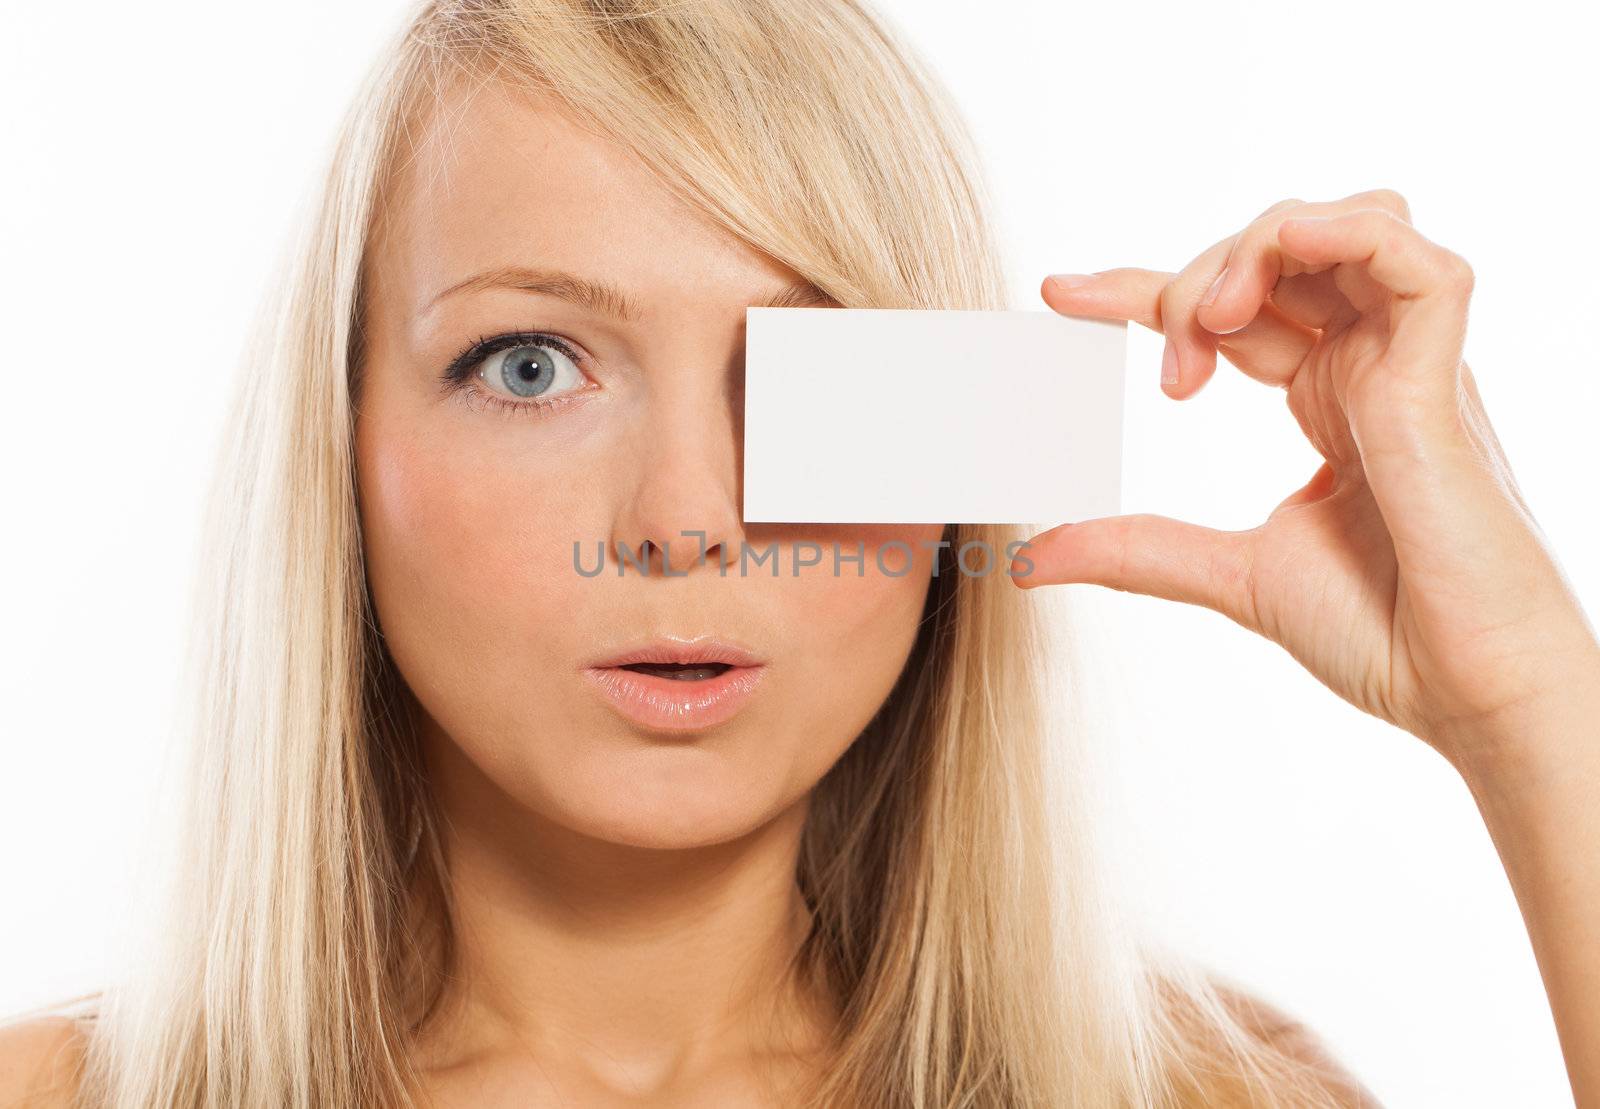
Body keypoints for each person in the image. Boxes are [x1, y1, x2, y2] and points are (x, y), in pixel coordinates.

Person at [3, 1, 1597, 1106]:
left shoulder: (1214, 1096)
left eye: (812, 376)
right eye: (531, 363)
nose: (684, 514)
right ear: (342, 450)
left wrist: (1530, 709)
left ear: (960, 457)